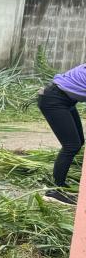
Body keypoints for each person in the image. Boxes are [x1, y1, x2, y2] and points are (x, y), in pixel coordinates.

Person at [37, 63, 86, 206]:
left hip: (65, 100)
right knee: (71, 146)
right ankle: (55, 191)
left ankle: (60, 184)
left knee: (79, 142)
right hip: (54, 100)